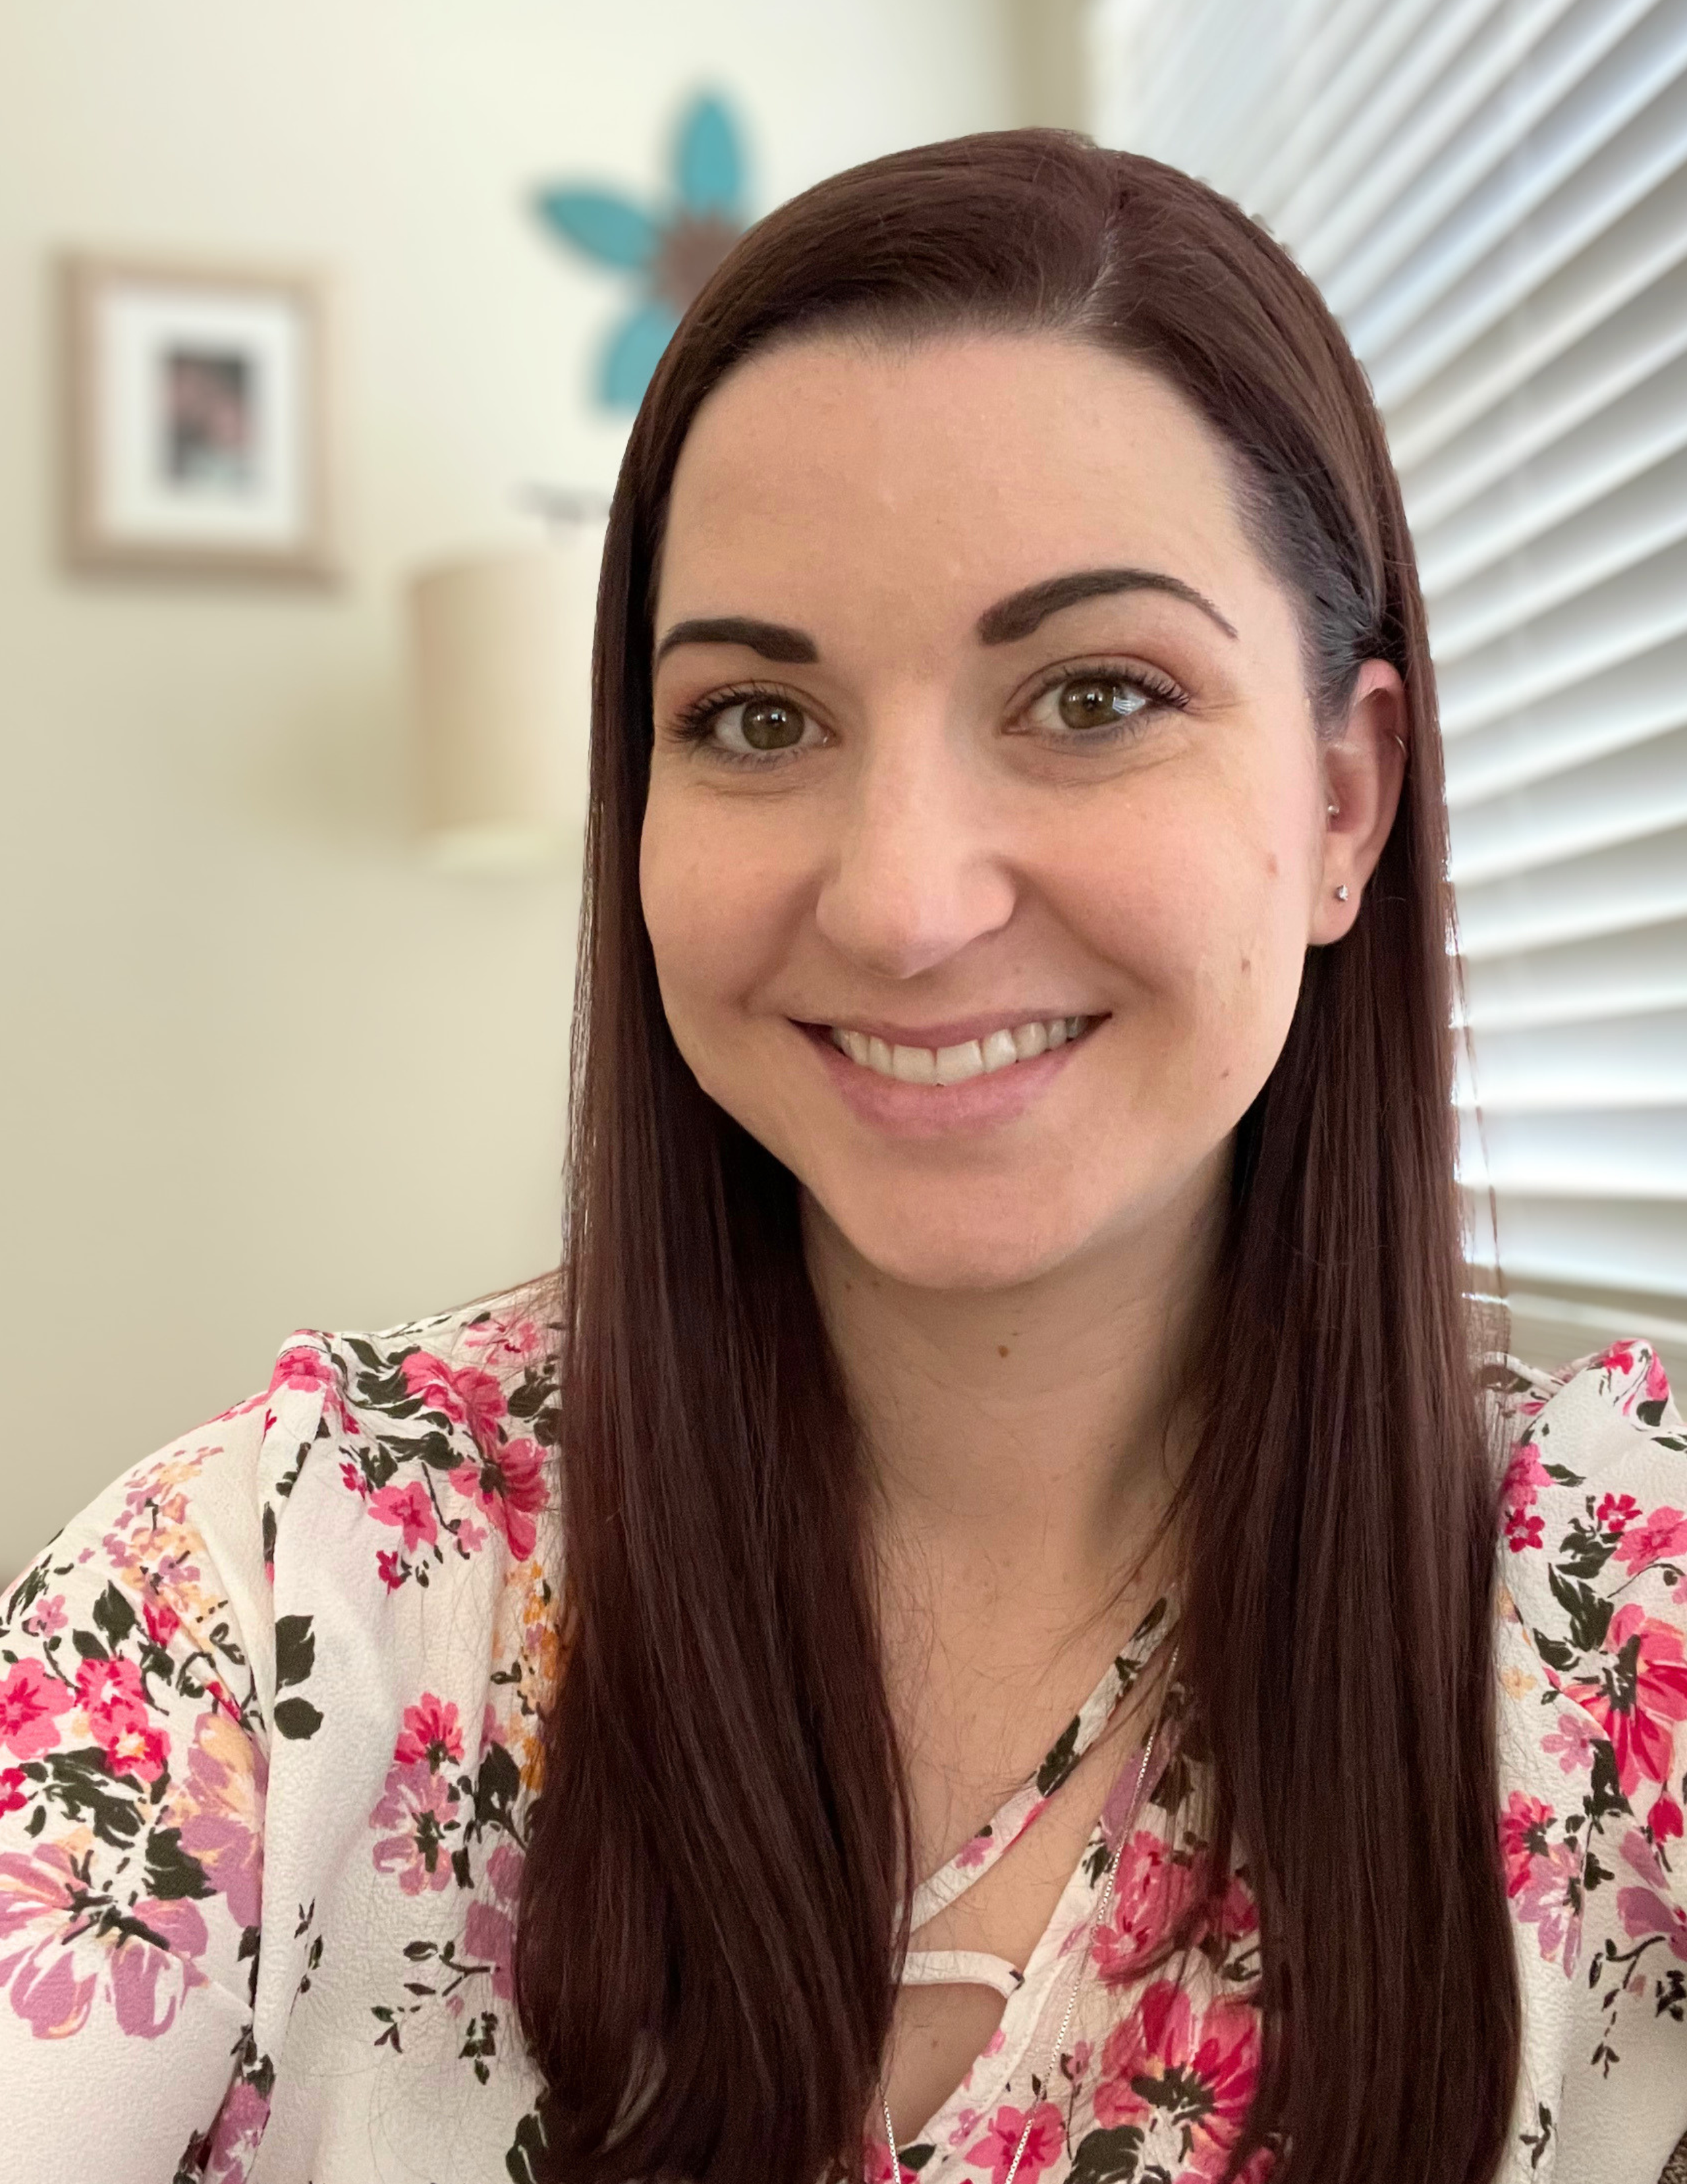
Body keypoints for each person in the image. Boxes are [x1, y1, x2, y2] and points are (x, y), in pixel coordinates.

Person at [1, 131, 1683, 2184]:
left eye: (1090, 693)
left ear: (1344, 800)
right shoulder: (280, 1600)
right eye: (756, 721)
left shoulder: (1620, 1628)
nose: (899, 902)